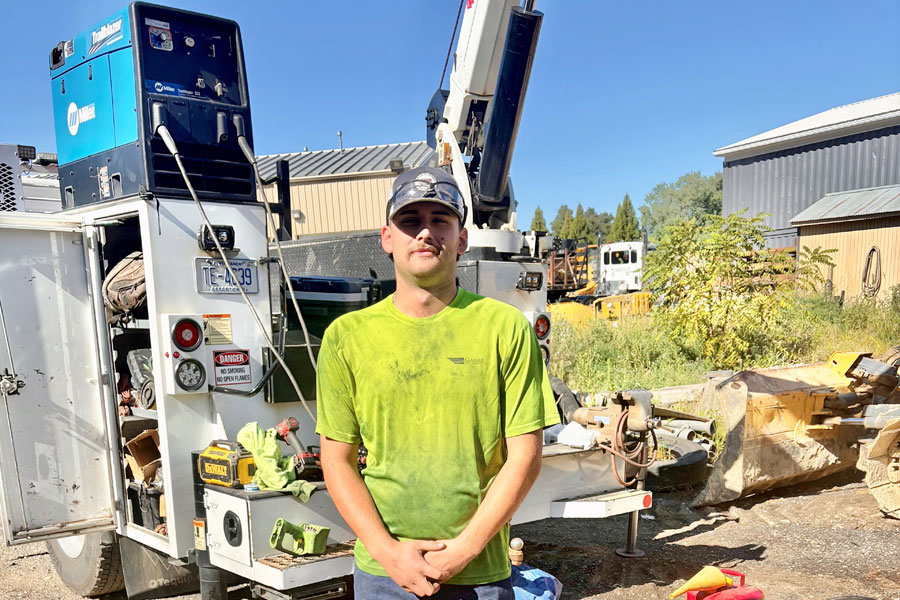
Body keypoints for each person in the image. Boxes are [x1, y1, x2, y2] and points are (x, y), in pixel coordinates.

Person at [316, 166, 559, 599]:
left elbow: (525, 455)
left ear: (462, 239)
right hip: (383, 576)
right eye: (410, 221)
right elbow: (337, 461)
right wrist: (388, 553)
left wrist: (463, 550)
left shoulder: (504, 327)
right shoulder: (346, 338)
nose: (425, 233)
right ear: (387, 239)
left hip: (478, 576)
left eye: (439, 220)